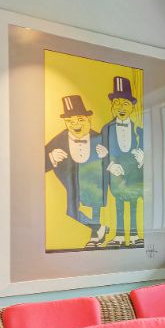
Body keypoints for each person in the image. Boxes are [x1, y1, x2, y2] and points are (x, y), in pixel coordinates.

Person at [45, 94, 108, 249]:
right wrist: (51, 157)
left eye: (80, 119)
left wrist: (106, 156)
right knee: (72, 213)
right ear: (65, 122)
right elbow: (38, 163)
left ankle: (95, 237)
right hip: (72, 184)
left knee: (95, 205)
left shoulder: (99, 138)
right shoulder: (59, 140)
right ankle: (98, 227)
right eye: (70, 121)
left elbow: (117, 162)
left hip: (93, 183)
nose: (76, 125)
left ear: (88, 119)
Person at [101, 76, 145, 248]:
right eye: (117, 103)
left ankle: (134, 235)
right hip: (116, 174)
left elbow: (146, 150)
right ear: (112, 106)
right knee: (119, 204)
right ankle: (119, 235)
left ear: (132, 106)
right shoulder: (106, 129)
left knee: (133, 204)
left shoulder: (138, 130)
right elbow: (102, 152)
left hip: (134, 173)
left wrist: (143, 158)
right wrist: (111, 165)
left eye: (125, 103)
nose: (121, 108)